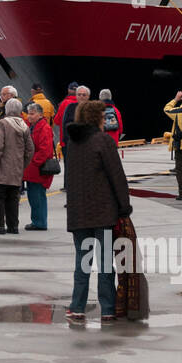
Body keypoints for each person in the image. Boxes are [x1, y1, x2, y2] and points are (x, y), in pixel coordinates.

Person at [63, 100, 132, 323]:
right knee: (104, 263)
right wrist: (124, 207)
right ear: (96, 118)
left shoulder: (72, 143)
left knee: (82, 262)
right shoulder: (103, 141)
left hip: (78, 211)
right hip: (102, 211)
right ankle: (108, 308)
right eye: (103, 117)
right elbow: (117, 177)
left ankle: (77, 306)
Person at [0, 98, 33, 235]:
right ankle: (13, 226)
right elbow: (30, 149)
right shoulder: (24, 125)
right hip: (16, 169)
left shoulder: (3, 124)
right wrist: (23, 164)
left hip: (1, 169)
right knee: (13, 199)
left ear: (7, 109)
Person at [23, 102, 56, 230]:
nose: (29, 116)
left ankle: (39, 222)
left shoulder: (43, 128)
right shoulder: (35, 126)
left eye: (32, 114)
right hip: (34, 168)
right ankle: (37, 220)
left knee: (37, 196)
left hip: (37, 169)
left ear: (40, 114)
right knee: (34, 195)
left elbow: (45, 151)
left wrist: (33, 162)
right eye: (28, 114)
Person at [60, 85, 90, 154]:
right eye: (79, 94)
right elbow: (65, 126)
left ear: (88, 96)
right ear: (76, 96)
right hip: (73, 146)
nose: (81, 96)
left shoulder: (92, 108)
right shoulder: (70, 108)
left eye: (84, 95)